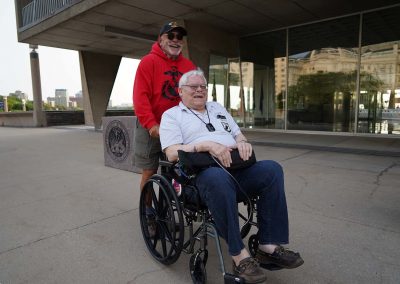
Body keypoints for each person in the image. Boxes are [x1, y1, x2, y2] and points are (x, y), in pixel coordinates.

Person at [159, 70, 304, 283]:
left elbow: (237, 133)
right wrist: (205, 145)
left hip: (237, 168)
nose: (199, 89)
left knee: (272, 169)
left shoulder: (217, 108)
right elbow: (171, 153)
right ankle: (239, 256)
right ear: (181, 91)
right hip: (202, 175)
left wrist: (243, 142)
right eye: (193, 86)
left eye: (203, 86)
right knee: (218, 178)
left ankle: (268, 245)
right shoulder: (172, 116)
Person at [133, 22, 196, 203]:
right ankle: (148, 211)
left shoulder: (189, 65)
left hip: (177, 126)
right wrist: (151, 125)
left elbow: (194, 95)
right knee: (149, 171)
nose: (175, 40)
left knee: (174, 171)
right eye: (171, 36)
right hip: (151, 125)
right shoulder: (148, 62)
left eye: (179, 37)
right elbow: (140, 96)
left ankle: (165, 211)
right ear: (161, 39)